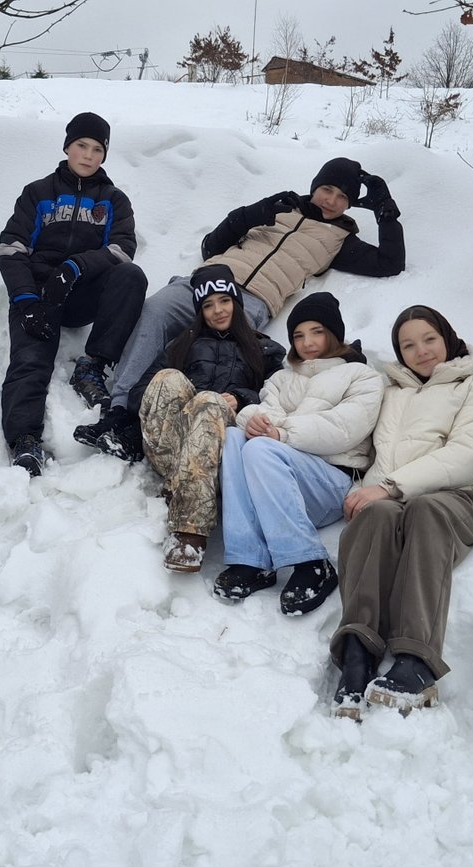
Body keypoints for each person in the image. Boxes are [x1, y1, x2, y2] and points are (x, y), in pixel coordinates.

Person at [76, 156, 403, 458]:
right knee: (155, 313)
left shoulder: (340, 239)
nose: (331, 201)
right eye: (327, 190)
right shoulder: (280, 207)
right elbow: (211, 246)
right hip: (205, 283)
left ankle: (154, 429)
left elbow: (390, 262)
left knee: (208, 350)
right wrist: (254, 213)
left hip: (253, 300)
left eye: (342, 197)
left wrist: (385, 209)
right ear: (315, 186)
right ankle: (119, 410)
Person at [328, 307, 473, 720]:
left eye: (429, 339)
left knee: (425, 510)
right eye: (408, 345)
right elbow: (355, 438)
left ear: (447, 338)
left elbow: (468, 453)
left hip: (452, 499)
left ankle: (416, 659)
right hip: (388, 499)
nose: (421, 351)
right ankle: (358, 652)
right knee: (375, 518)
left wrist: (389, 486)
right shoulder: (391, 393)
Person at [0, 111, 147, 475]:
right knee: (30, 361)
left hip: (82, 293)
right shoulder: (37, 193)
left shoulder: (113, 200)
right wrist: (26, 299)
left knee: (131, 276)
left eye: (98, 149)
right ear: (67, 147)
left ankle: (92, 366)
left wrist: (76, 266)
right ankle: (25, 441)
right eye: (82, 145)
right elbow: (11, 248)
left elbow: (121, 249)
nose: (89, 155)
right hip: (39, 298)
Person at [215, 292, 384, 616]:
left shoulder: (362, 376)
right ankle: (252, 560)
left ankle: (312, 564)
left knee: (262, 446)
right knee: (235, 436)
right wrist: (252, 420)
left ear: (334, 333)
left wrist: (280, 432)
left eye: (316, 332)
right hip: (276, 479)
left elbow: (343, 429)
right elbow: (260, 411)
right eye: (298, 335)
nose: (307, 342)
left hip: (331, 482)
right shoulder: (281, 378)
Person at [130, 264, 285, 571]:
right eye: (208, 305)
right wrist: (186, 396)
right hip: (173, 446)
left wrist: (241, 397)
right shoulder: (182, 344)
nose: (218, 311)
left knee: (210, 401)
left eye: (224, 301)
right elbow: (141, 394)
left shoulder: (264, 350)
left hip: (223, 447)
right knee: (168, 378)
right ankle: (181, 482)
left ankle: (190, 534)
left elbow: (279, 400)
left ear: (236, 302)